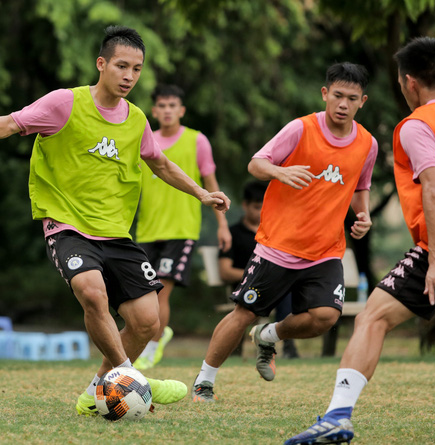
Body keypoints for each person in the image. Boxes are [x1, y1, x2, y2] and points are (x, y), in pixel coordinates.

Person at [0, 26, 230, 416]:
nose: (129, 76)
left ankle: (98, 389)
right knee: (93, 293)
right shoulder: (65, 103)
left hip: (115, 231)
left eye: (137, 69)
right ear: (102, 64)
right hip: (67, 226)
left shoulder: (136, 119)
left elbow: (158, 162)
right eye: (122, 66)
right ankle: (134, 380)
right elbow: (13, 122)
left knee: (148, 321)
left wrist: (201, 193)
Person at [286, 37, 435, 445]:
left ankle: (337, 416)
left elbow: (433, 189)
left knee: (373, 318)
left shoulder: (417, 125)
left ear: (410, 82)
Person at [191, 62, 377, 402]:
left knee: (325, 317)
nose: (342, 104)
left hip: (325, 251)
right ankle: (204, 381)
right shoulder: (301, 129)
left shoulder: (367, 144)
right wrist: (280, 172)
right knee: (244, 313)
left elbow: (359, 187)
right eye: (337, 95)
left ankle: (269, 335)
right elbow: (255, 163)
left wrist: (362, 216)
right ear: (325, 94)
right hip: (278, 247)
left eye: (351, 98)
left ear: (362, 101)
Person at [132, 84, 232, 370]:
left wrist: (222, 225)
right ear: (154, 110)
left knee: (161, 290)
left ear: (181, 110)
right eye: (161, 106)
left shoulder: (197, 141)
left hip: (181, 230)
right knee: (143, 293)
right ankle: (154, 336)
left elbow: (211, 185)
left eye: (172, 105)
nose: (166, 110)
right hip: (147, 231)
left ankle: (153, 344)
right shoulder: (143, 140)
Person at [218, 180, 300, 358]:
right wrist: (260, 276)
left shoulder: (276, 233)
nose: (262, 211)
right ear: (245, 205)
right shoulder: (231, 234)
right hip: (245, 288)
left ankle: (288, 347)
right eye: (256, 206)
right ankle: (234, 349)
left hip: (275, 288)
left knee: (287, 292)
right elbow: (225, 271)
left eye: (266, 205)